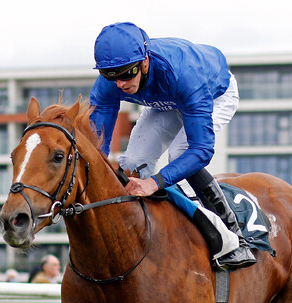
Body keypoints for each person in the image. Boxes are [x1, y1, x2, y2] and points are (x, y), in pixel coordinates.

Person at [88, 22, 254, 270]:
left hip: (212, 94)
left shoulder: (184, 74)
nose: (120, 83)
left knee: (180, 153)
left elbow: (202, 150)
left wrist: (154, 182)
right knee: (133, 163)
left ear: (145, 62)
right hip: (164, 100)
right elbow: (97, 145)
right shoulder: (109, 83)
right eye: (110, 75)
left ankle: (234, 235)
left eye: (126, 73)